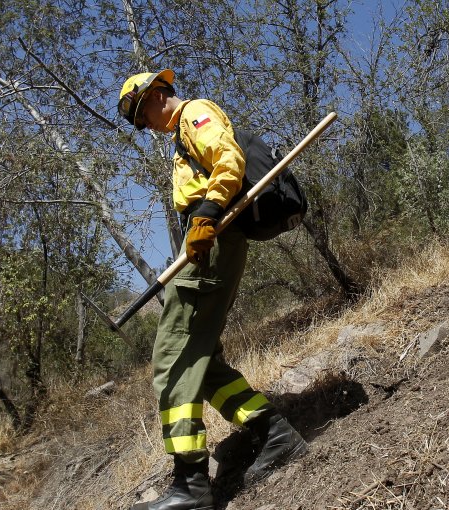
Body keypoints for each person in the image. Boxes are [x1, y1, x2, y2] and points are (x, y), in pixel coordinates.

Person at [118, 69, 307, 510]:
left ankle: (190, 485)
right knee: (200, 362)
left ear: (158, 94)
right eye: (138, 119)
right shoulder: (179, 137)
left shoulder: (194, 114)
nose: (145, 122)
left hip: (212, 235)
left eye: (142, 110)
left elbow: (228, 160)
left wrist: (205, 215)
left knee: (173, 356)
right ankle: (274, 432)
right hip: (206, 236)